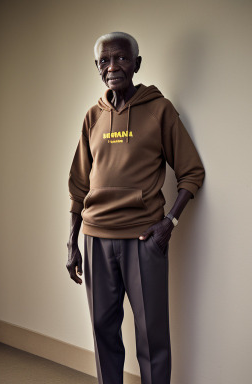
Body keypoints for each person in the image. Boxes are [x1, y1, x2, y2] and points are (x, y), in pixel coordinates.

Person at [66, 31, 205, 384]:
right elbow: (79, 185)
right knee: (102, 329)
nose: (113, 67)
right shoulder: (92, 117)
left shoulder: (160, 110)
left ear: (137, 64)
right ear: (97, 68)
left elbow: (191, 172)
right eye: (104, 61)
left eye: (122, 59)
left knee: (151, 335)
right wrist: (72, 241)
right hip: (95, 238)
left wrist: (168, 223)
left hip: (144, 239)